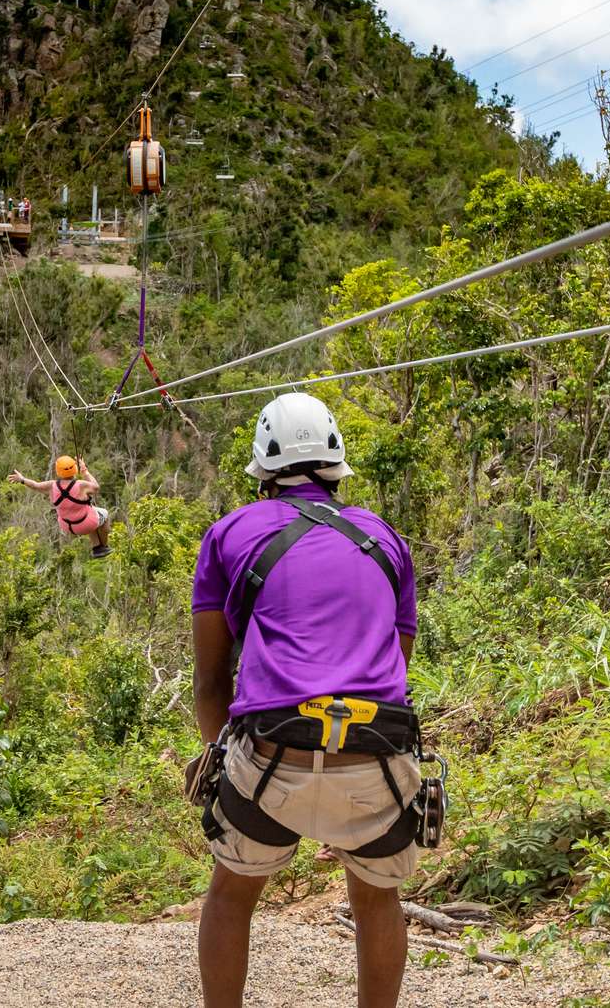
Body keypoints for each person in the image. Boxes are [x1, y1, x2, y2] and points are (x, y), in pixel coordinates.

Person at [188, 392, 422, 1008]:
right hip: (373, 755)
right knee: (377, 898)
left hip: (273, 756)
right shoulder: (384, 538)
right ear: (335, 464)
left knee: (231, 893)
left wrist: (216, 756)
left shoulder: (229, 534)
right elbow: (393, 665)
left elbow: (210, 681)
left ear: (263, 469)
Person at [8, 454, 111, 558]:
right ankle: (103, 547)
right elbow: (96, 487)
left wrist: (22, 479)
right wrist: (85, 471)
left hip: (67, 526)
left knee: (90, 511)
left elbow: (35, 485)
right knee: (104, 514)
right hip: (87, 523)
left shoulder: (52, 486)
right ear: (75, 469)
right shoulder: (81, 485)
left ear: (58, 471)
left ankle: (96, 546)